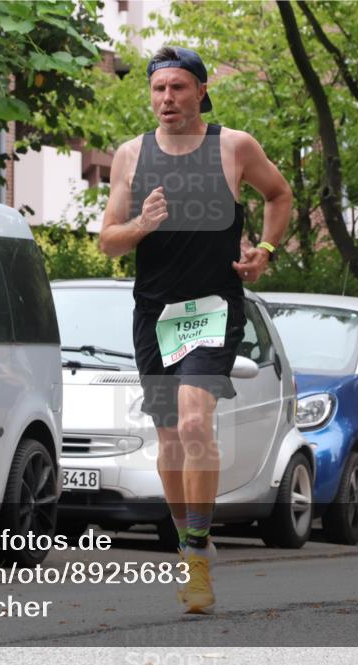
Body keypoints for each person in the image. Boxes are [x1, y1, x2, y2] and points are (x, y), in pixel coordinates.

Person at [98, 45, 292, 613]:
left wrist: (265, 250)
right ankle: (190, 544)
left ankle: (198, 558)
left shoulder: (232, 147)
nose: (167, 99)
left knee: (193, 419)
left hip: (213, 307)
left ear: (201, 91)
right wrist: (141, 224)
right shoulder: (130, 156)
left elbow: (278, 195)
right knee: (169, 440)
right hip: (153, 313)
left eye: (179, 88)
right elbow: (108, 240)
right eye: (159, 89)